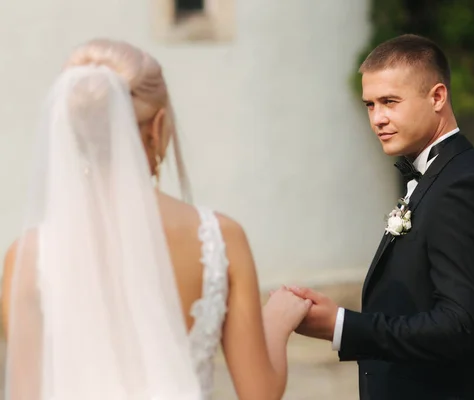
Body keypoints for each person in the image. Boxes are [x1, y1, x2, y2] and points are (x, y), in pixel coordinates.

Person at [1, 38, 311, 400]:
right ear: (158, 124)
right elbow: (259, 394)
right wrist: (276, 321)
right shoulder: (220, 238)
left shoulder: (28, 256)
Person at [288, 34, 474, 399]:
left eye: (390, 102)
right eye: (369, 105)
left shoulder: (466, 187)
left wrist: (341, 325)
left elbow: (458, 326)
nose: (378, 118)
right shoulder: (437, 175)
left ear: (437, 97)